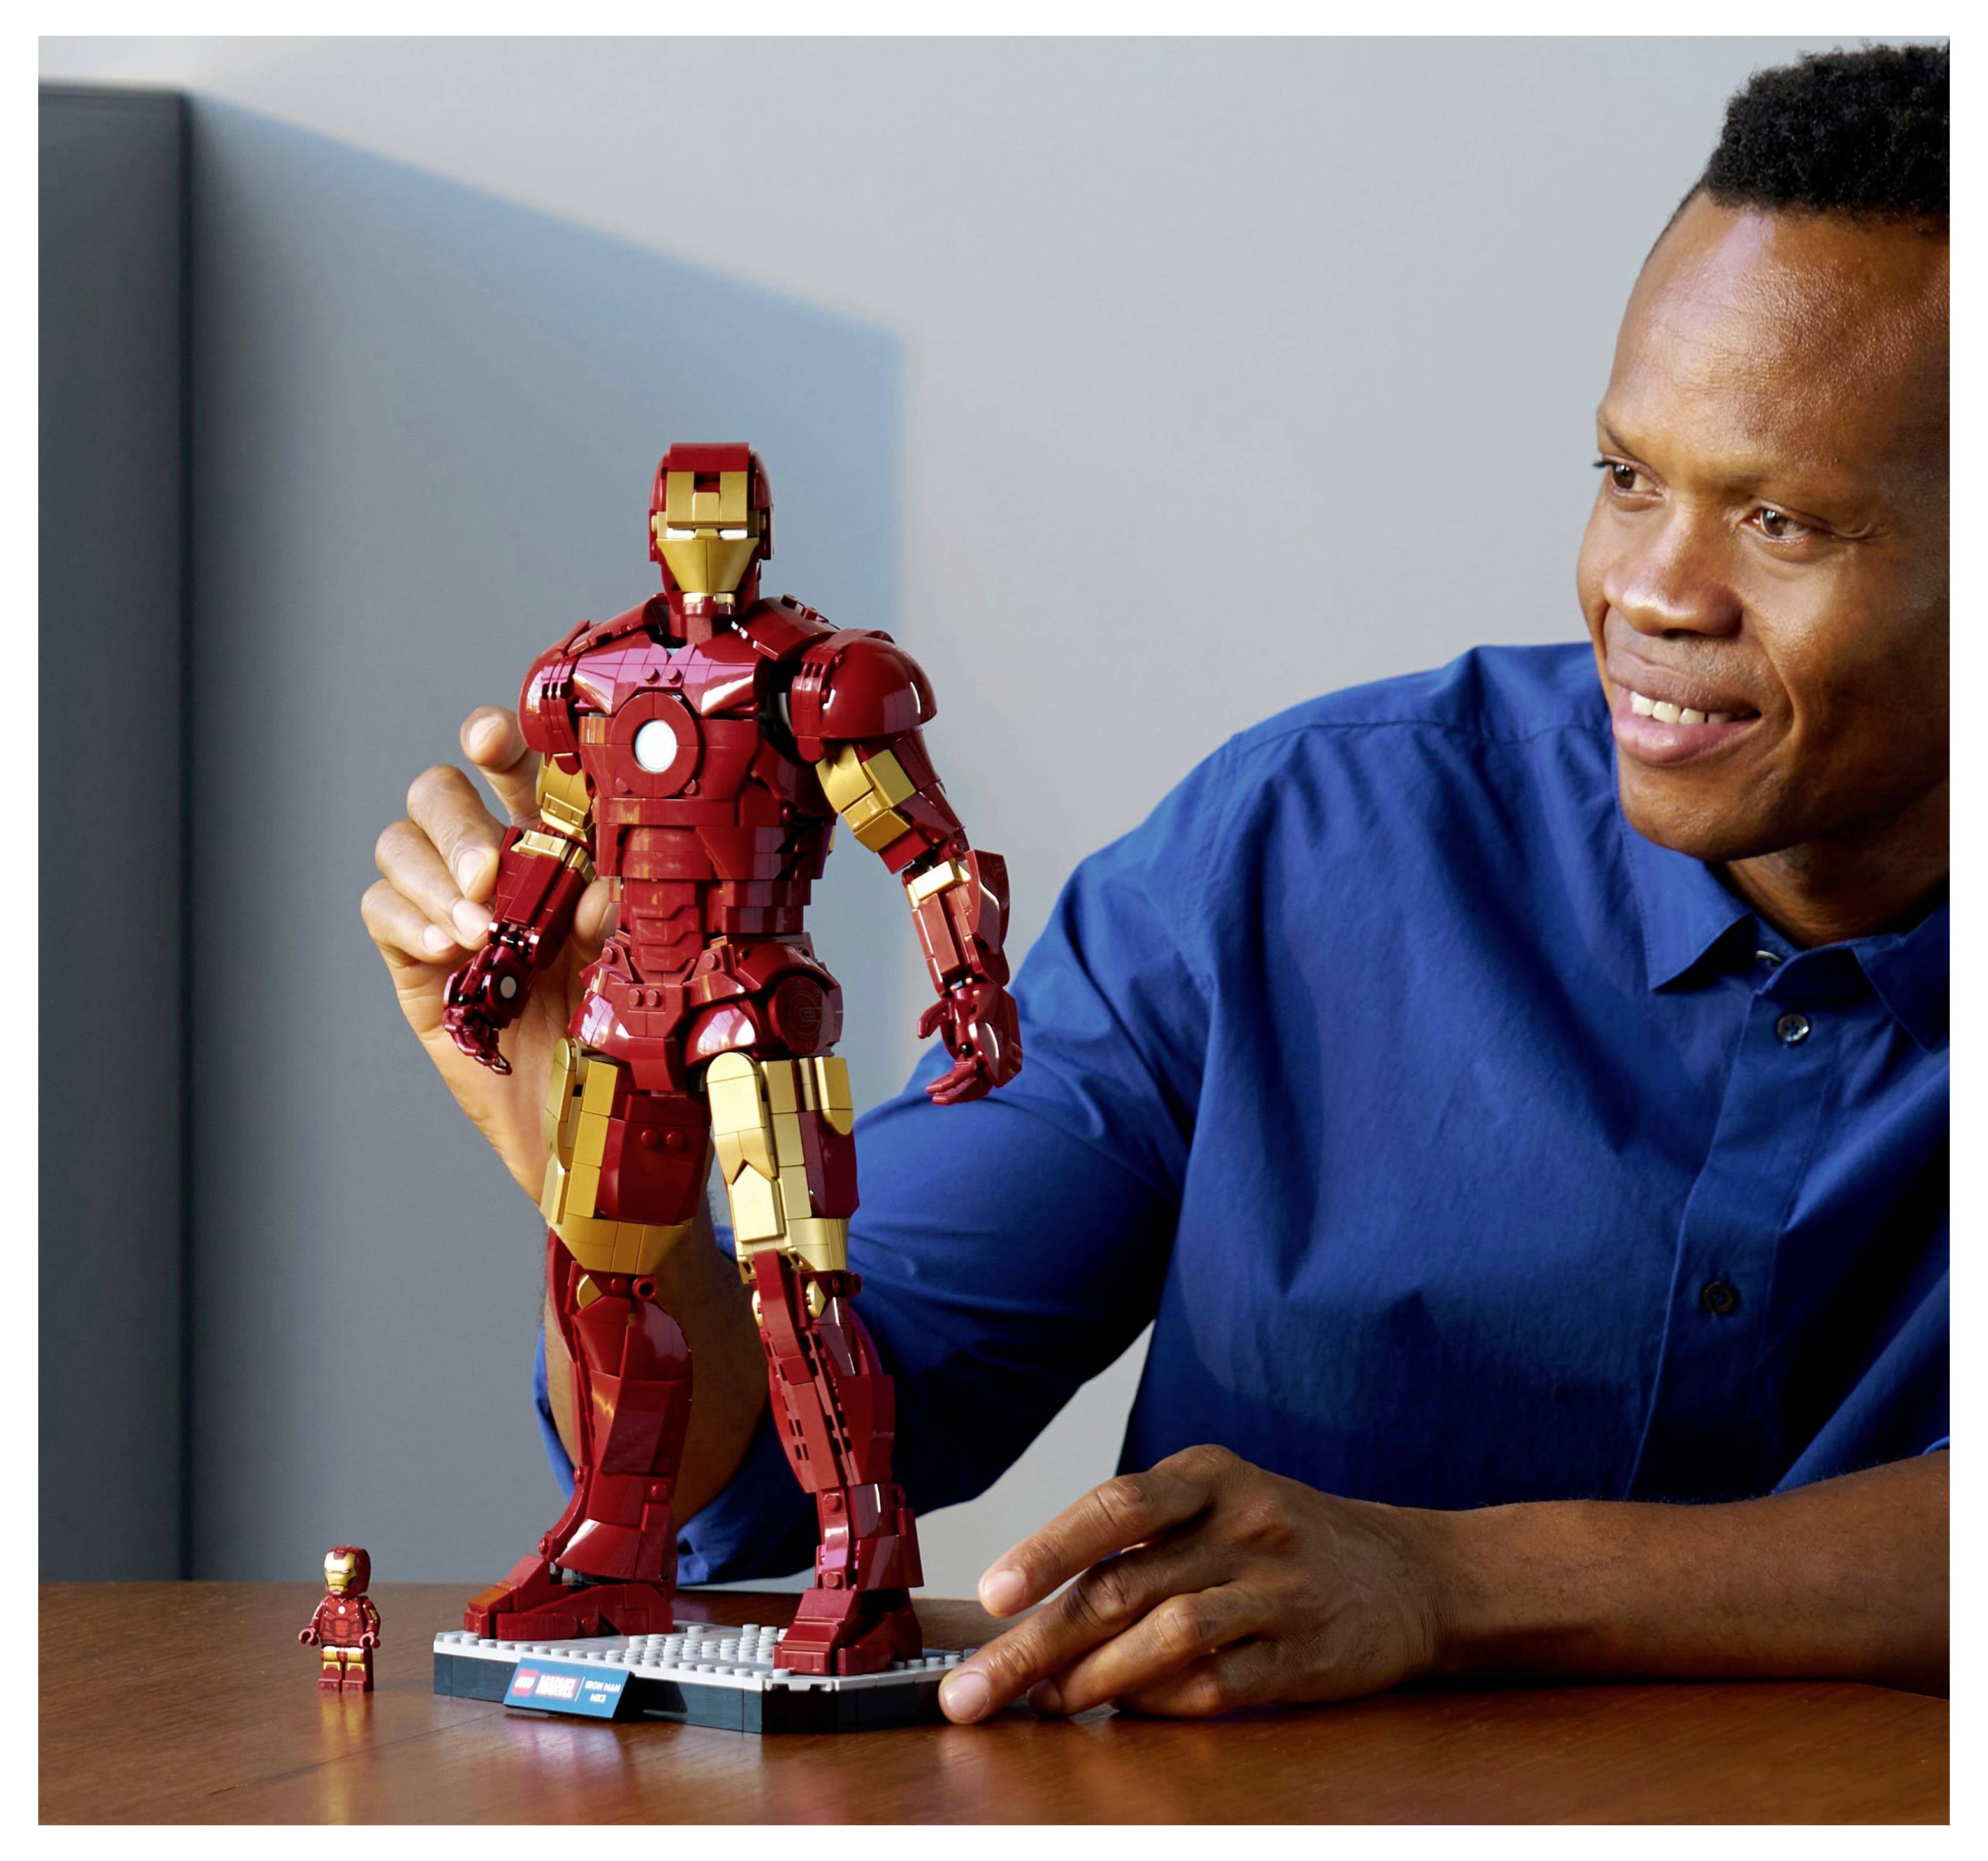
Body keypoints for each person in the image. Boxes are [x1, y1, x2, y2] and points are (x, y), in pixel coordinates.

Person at [363, 43, 1948, 1722]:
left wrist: (1457, 1581)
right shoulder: (1303, 846)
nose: (1650, 591)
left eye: (1779, 522)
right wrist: (604, 1173)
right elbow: (761, 1467)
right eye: (1628, 477)